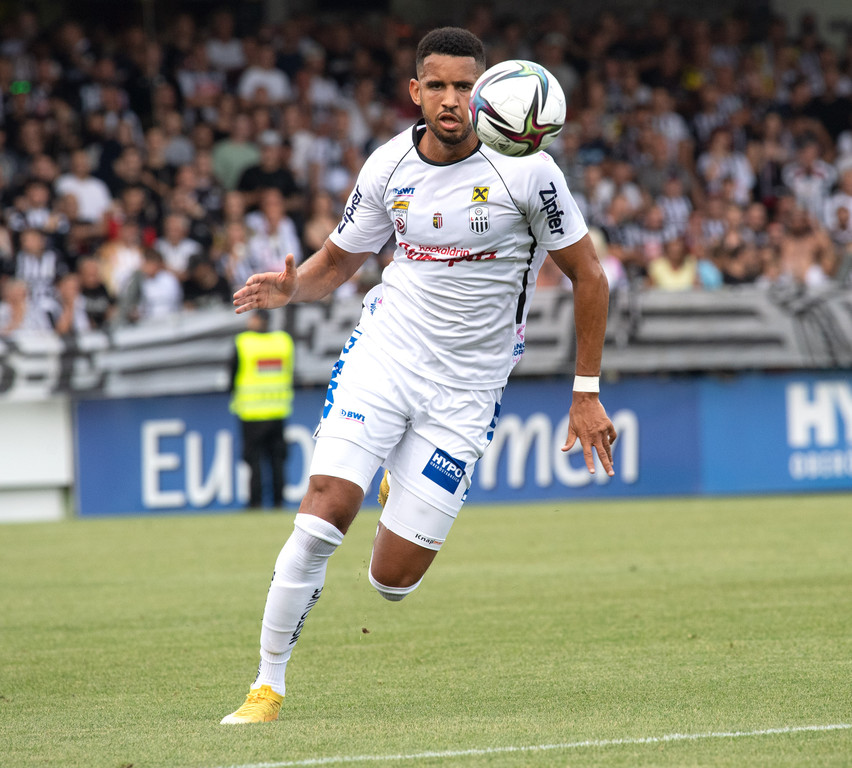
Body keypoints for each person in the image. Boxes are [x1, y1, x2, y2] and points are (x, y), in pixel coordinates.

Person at [222, 27, 616, 725]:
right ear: (415, 91)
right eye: (437, 85)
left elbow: (590, 276)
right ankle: (266, 686)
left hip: (467, 390)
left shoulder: (529, 172)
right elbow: (336, 263)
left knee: (392, 582)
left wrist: (585, 393)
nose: (451, 99)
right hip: (385, 355)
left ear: (485, 92)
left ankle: (396, 481)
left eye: (464, 86)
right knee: (323, 513)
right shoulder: (388, 166)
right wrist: (292, 288)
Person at [229, 309, 295, 509]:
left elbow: (232, 374)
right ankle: (278, 501)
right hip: (278, 410)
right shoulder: (283, 342)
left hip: (251, 412)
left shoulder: (244, 343)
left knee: (254, 460)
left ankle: (255, 502)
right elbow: (291, 371)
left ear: (258, 320)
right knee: (277, 459)